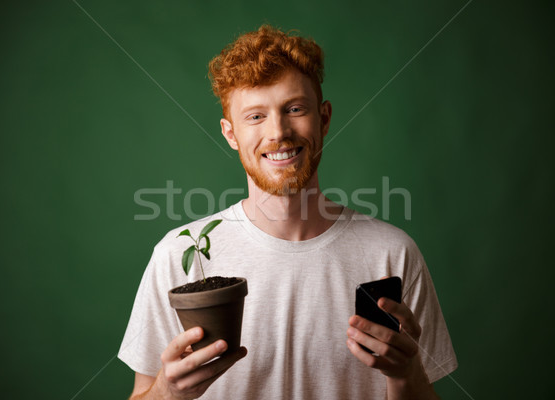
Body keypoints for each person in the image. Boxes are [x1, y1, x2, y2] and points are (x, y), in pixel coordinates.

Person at [119, 24, 457, 399]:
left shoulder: (393, 254)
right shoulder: (176, 258)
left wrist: (406, 373)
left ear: (324, 119)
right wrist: (168, 391)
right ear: (230, 134)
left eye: (294, 109)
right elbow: (142, 393)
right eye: (255, 116)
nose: (278, 132)